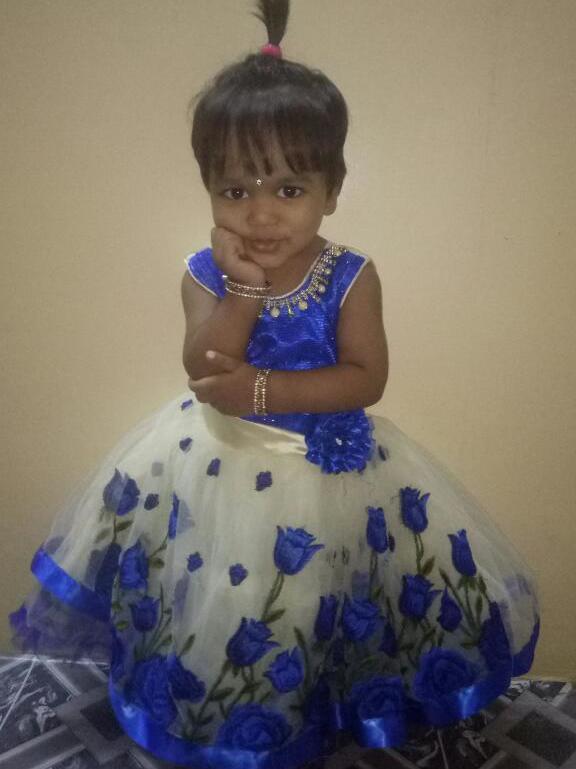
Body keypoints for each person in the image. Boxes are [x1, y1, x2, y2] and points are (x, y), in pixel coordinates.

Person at [9, 1, 540, 768]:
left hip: (325, 478)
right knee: (225, 607)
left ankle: (314, 711)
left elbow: (366, 377)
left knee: (316, 604)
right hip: (213, 467)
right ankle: (231, 720)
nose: (261, 213)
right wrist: (245, 291)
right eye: (236, 190)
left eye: (289, 189)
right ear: (209, 190)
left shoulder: (351, 274)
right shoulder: (204, 271)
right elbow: (204, 367)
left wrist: (262, 390)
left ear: (333, 189)